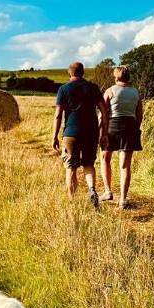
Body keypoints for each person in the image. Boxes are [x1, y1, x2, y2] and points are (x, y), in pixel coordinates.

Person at [53, 61, 108, 206]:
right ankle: (92, 189)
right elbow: (103, 110)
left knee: (71, 167)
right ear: (83, 73)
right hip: (91, 132)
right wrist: (104, 132)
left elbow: (58, 115)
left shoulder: (63, 89)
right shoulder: (93, 88)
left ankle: (72, 201)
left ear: (69, 73)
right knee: (89, 164)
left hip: (71, 133)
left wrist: (54, 135)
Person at [99, 65, 143, 209]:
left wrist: (99, 130)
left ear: (116, 76)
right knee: (125, 165)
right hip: (129, 127)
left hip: (112, 126)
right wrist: (135, 127)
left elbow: (103, 112)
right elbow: (139, 114)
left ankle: (107, 191)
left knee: (105, 158)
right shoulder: (135, 92)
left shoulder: (110, 91)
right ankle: (123, 199)